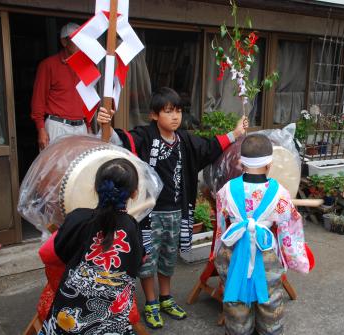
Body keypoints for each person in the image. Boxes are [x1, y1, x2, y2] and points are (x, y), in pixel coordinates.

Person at [97, 87, 248, 329]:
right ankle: (151, 302)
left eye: (178, 111)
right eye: (168, 111)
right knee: (147, 259)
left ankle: (166, 298)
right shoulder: (145, 136)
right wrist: (105, 124)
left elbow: (209, 147)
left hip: (176, 211)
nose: (175, 116)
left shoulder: (185, 140)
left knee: (168, 258)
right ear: (154, 115)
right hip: (148, 214)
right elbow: (117, 142)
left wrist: (236, 133)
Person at [213, 134, 311, 335]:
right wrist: (293, 259)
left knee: (235, 300)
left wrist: (216, 253)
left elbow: (221, 227)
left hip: (232, 252)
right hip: (265, 253)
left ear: (241, 162)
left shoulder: (226, 190)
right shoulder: (280, 194)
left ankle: (238, 329)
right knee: (270, 301)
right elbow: (288, 230)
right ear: (269, 164)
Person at [38, 158, 145, 334]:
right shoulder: (132, 227)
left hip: (67, 319)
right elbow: (139, 261)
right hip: (112, 324)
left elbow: (47, 254)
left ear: (96, 188)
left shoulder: (78, 218)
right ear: (134, 193)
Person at [31, 22, 88, 150]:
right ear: (64, 42)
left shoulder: (86, 67)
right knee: (56, 168)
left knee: (80, 167)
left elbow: (88, 99)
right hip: (57, 126)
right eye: (76, 39)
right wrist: (40, 128)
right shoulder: (48, 65)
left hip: (81, 127)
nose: (80, 44)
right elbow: (38, 100)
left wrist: (88, 125)